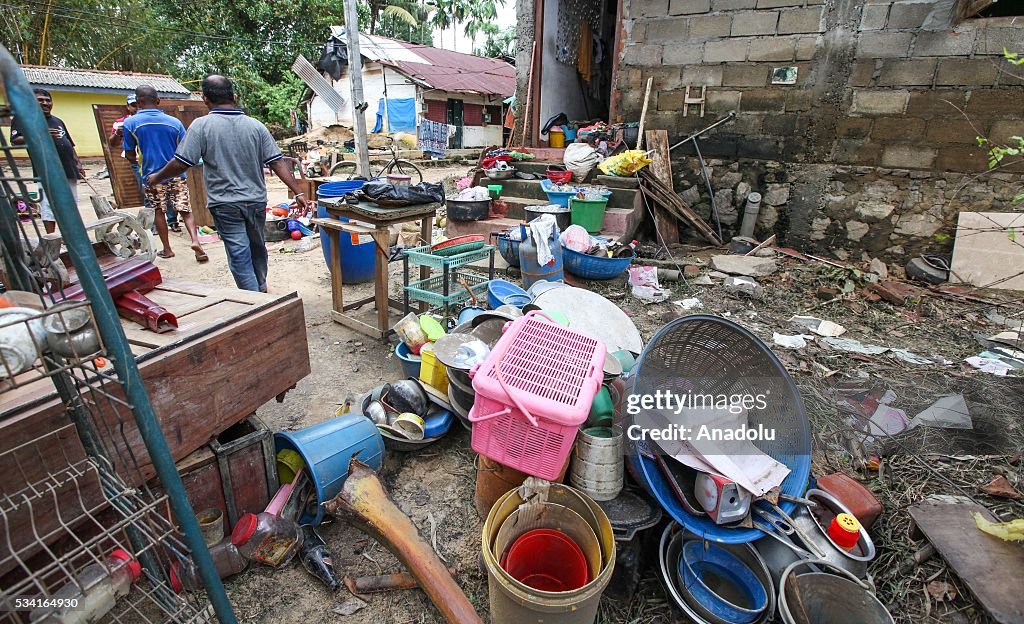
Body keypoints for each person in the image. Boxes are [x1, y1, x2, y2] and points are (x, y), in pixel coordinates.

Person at [146, 75, 309, 292]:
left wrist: (156, 177)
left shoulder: (201, 127)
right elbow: (277, 162)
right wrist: (298, 192)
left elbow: (181, 162)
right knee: (257, 248)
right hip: (255, 201)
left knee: (239, 253)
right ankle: (260, 288)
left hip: (225, 204)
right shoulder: (255, 126)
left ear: (205, 99)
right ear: (234, 97)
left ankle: (255, 302)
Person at [124, 85, 206, 262]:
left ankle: (167, 249)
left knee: (159, 211)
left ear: (138, 102)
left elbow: (129, 153)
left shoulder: (130, 123)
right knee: (185, 209)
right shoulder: (174, 122)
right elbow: (185, 150)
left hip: (152, 176)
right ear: (158, 101)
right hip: (176, 174)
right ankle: (195, 240)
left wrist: (137, 161)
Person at [10, 88, 85, 234]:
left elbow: (70, 143)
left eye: (47, 100)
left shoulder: (58, 121)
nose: (45, 103)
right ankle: (52, 238)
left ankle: (71, 235)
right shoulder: (24, 119)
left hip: (68, 168)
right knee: (49, 204)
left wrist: (78, 164)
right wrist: (40, 134)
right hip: (47, 170)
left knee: (70, 204)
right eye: (40, 100)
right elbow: (15, 140)